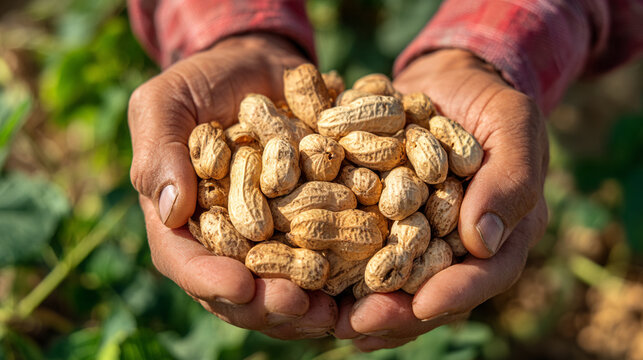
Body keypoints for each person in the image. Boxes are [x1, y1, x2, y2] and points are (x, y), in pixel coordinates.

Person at [126, 0, 643, 352]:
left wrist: (487, 54)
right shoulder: (292, 152)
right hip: (339, 205)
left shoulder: (372, 155)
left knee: (590, 122)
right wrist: (234, 33)